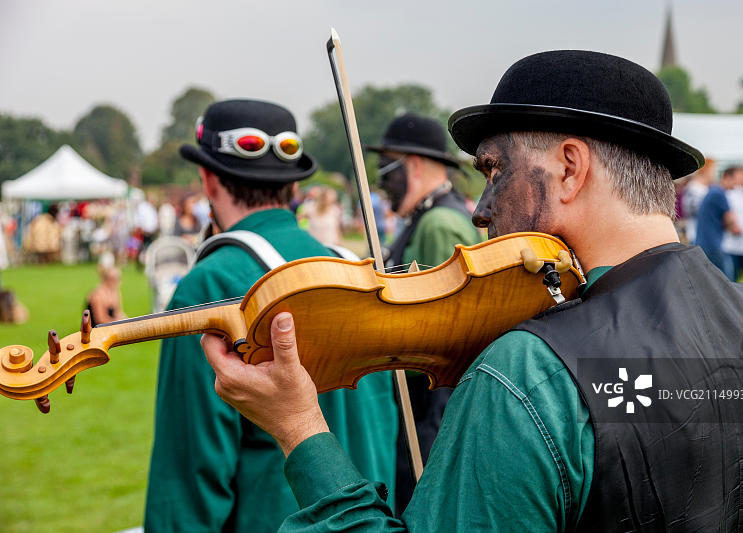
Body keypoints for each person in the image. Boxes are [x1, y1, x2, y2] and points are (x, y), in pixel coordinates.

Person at [200, 51, 743, 532]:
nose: (482, 211)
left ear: (570, 168)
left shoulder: (529, 372)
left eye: (495, 171)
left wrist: (300, 429)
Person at [144, 99, 397, 532]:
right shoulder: (356, 269)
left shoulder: (209, 286)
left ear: (208, 180)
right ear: (293, 186)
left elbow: (189, 481)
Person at [366, 113, 482, 511]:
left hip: (430, 411)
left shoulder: (437, 224)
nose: (381, 181)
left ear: (413, 166)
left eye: (387, 168)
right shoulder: (426, 218)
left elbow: (441, 337)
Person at [694, 165, 743, 279]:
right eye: (737, 179)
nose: (738, 184)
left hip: (705, 243)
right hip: (713, 245)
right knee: (726, 282)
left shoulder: (713, 191)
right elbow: (731, 220)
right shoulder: (719, 193)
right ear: (727, 177)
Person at [679, 158, 715, 243]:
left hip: (704, 235)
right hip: (696, 235)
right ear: (706, 170)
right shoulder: (694, 188)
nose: (714, 174)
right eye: (713, 170)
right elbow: (692, 211)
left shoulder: (704, 188)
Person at [86, 257, 126, 326]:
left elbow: (118, 312)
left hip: (110, 326)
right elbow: (100, 320)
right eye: (116, 279)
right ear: (108, 279)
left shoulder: (114, 291)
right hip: (98, 331)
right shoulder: (98, 295)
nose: (119, 282)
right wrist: (119, 322)